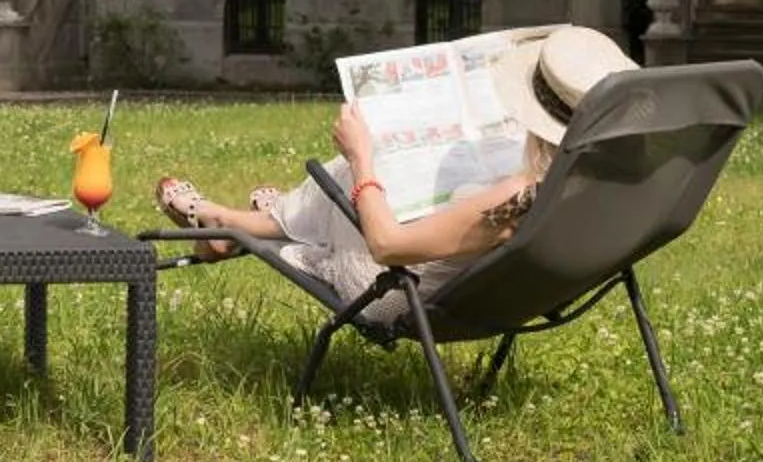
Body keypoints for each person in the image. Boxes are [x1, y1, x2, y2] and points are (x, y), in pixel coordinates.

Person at [155, 24, 639, 299]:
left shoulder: (516, 199)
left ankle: (229, 223)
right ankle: (255, 220)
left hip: (395, 291)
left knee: (357, 168)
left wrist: (362, 158)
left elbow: (387, 247)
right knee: (373, 175)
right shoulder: (601, 182)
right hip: (497, 294)